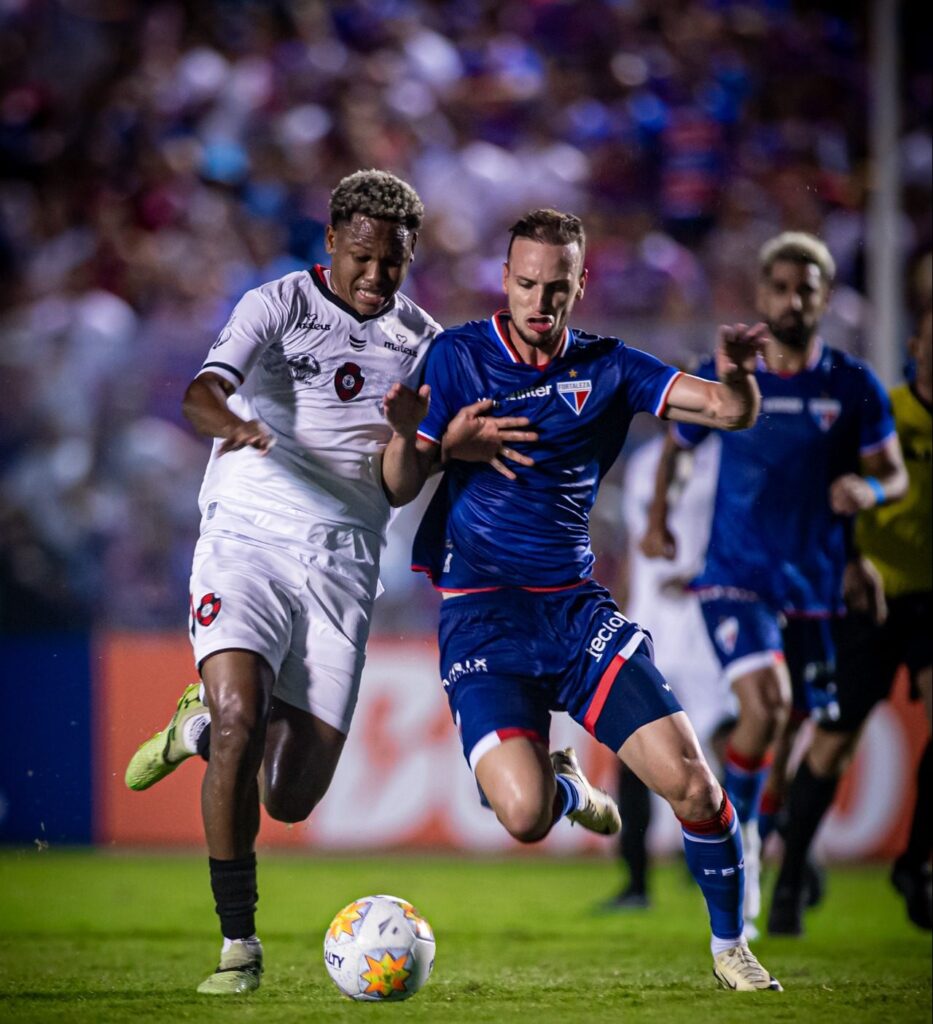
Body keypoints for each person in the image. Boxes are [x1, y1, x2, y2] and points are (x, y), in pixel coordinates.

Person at [122, 170, 533, 995]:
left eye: (393, 262)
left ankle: (195, 729)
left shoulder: (423, 341)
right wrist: (235, 423)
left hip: (344, 562)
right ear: (333, 241)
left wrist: (414, 438)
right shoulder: (275, 304)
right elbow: (201, 393)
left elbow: (395, 487)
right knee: (241, 719)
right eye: (363, 257)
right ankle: (238, 944)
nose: (376, 275)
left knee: (289, 797)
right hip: (247, 537)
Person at [381, 208, 784, 991]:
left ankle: (729, 945)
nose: (539, 300)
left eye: (555, 287)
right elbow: (398, 484)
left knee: (694, 786)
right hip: (482, 616)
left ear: (579, 285)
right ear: (505, 279)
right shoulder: (457, 356)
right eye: (526, 283)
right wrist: (420, 438)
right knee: (524, 817)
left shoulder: (609, 367)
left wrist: (737, 373)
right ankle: (564, 783)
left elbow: (730, 411)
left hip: (574, 613)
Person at [641, 231, 909, 938]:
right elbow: (677, 446)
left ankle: (762, 829)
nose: (792, 301)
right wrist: (658, 520)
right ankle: (748, 848)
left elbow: (893, 472)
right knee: (766, 704)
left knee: (787, 730)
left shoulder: (851, 384)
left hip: (815, 585)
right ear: (761, 294)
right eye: (780, 288)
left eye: (805, 290)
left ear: (825, 298)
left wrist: (870, 491)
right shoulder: (728, 375)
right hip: (735, 576)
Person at [768, 303, 932, 935]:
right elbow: (833, 491)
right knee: (833, 744)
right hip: (867, 599)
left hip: (929, 601)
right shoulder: (881, 408)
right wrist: (851, 558)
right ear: (915, 345)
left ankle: (914, 864)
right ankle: (790, 877)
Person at [603, 432, 735, 910]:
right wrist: (619, 608)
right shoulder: (643, 462)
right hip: (649, 623)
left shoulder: (725, 456)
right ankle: (636, 881)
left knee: (727, 747)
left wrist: (710, 574)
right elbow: (634, 547)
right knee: (632, 750)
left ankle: (751, 860)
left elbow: (741, 531)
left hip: (706, 623)